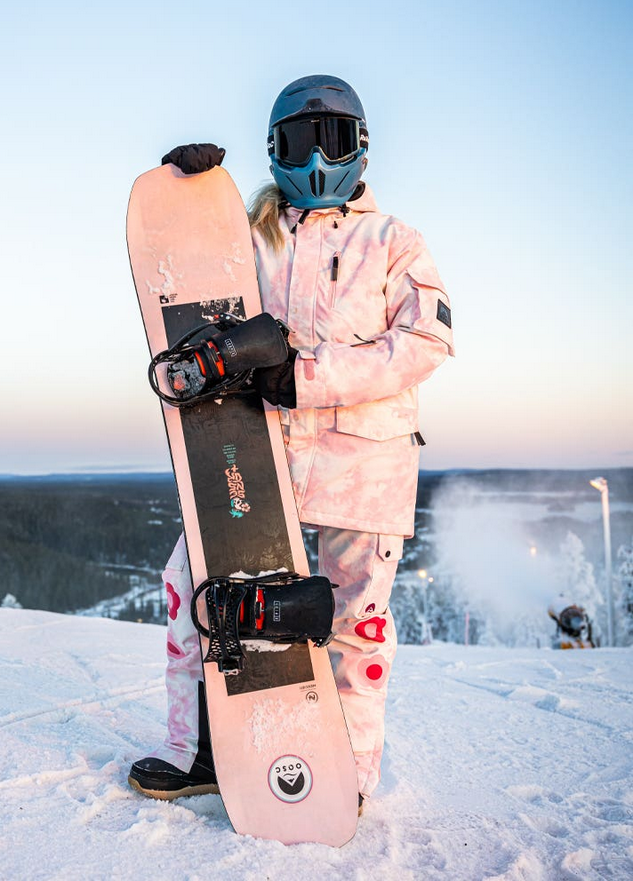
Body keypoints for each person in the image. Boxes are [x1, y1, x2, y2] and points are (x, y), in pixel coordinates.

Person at [128, 75, 455, 814]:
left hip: (364, 462)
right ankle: (201, 751)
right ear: (275, 150)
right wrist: (189, 195)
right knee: (197, 594)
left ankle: (349, 776)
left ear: (359, 148)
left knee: (356, 626)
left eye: (331, 140)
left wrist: (305, 376)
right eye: (301, 140)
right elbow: (196, 278)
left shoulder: (392, 242)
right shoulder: (255, 236)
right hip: (258, 454)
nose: (316, 159)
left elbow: (426, 341)